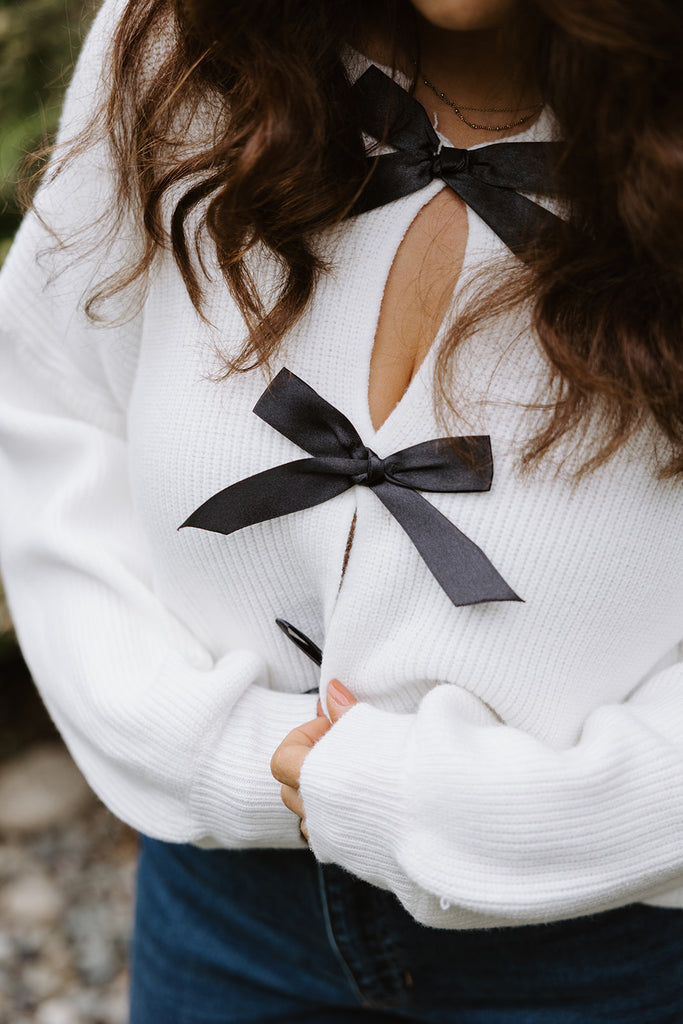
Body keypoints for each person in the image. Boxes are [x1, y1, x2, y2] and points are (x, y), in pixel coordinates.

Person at [0, 0, 682, 1020]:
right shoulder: (184, 46)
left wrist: (474, 813)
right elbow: (47, 407)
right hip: (227, 906)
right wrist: (204, 748)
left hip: (599, 946)